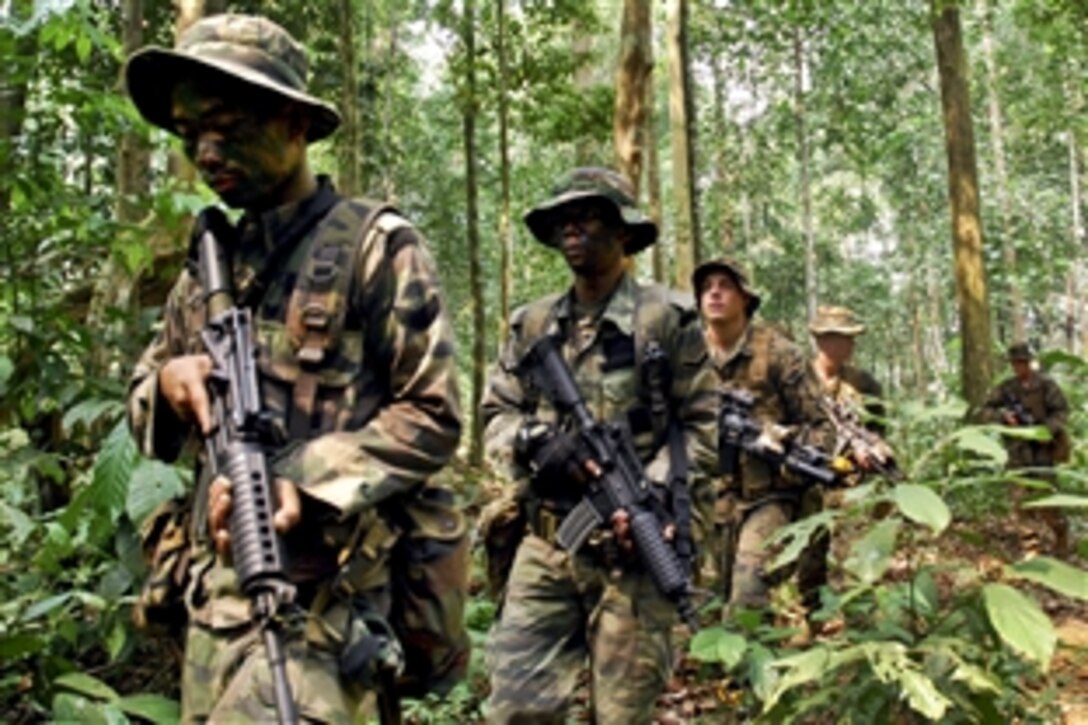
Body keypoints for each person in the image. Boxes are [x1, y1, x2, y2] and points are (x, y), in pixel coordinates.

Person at [124, 14, 466, 722]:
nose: (206, 151)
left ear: (293, 122)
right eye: (190, 135)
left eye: (225, 124)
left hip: (328, 606)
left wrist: (304, 480)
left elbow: (435, 417)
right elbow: (144, 411)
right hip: (212, 608)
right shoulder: (203, 275)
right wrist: (164, 384)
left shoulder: (376, 247)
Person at [480, 167, 717, 724]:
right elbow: (495, 415)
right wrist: (535, 442)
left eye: (589, 216)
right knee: (516, 709)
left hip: (633, 555)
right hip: (546, 546)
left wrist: (655, 495)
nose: (573, 228)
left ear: (624, 234)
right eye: (564, 219)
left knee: (620, 716)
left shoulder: (667, 319)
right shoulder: (532, 325)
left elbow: (704, 424)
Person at [693, 258, 834, 617]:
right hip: (708, 498)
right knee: (706, 608)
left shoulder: (780, 354)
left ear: (745, 298)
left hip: (771, 496)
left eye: (725, 285)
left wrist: (781, 441)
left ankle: (750, 673)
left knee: (747, 595)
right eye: (706, 286)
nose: (714, 292)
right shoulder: (688, 356)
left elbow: (822, 427)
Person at [981, 343, 1071, 555]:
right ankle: (1031, 548)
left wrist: (1045, 432)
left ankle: (1061, 538)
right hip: (1017, 454)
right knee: (1021, 504)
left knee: (1049, 501)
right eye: (1015, 363)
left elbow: (1062, 411)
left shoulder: (1046, 385)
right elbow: (984, 410)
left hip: (1042, 454)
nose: (1019, 367)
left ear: (1029, 362)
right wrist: (1003, 417)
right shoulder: (1006, 389)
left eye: (1022, 362)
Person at [809, 305, 891, 474]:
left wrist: (874, 447)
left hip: (854, 476)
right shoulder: (798, 380)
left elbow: (877, 426)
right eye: (846, 338)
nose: (852, 344)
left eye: (851, 338)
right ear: (823, 341)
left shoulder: (864, 383)